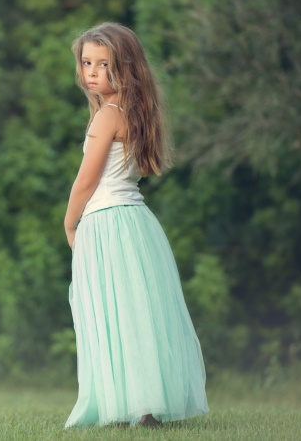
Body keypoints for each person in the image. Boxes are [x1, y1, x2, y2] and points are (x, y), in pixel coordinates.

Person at [63, 22, 210, 428]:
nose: (91, 72)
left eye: (103, 64)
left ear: (124, 68)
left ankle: (128, 404)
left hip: (105, 221)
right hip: (136, 223)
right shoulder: (135, 113)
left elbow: (86, 181)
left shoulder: (108, 116)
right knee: (136, 312)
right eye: (86, 62)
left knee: (110, 311)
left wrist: (69, 222)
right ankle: (142, 406)